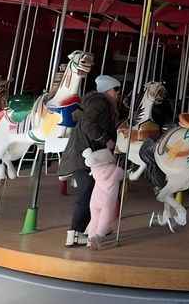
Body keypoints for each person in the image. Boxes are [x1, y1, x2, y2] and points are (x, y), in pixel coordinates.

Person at [60, 74, 120, 247]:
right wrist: (106, 139)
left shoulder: (101, 104)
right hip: (84, 155)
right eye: (116, 90)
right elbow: (87, 124)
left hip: (89, 154)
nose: (117, 93)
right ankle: (75, 232)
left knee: (94, 192)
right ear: (108, 90)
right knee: (86, 192)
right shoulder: (99, 102)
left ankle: (93, 228)